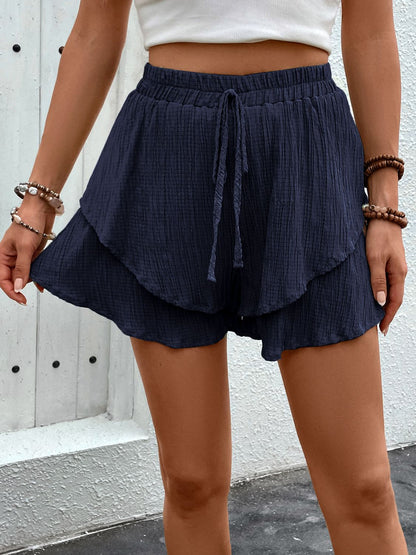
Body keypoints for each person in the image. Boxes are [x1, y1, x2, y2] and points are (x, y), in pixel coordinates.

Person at [0, 0, 409, 553]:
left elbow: (372, 34)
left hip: (306, 151)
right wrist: (38, 200)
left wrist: (385, 206)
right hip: (169, 148)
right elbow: (95, 33)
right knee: (191, 483)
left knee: (364, 489)